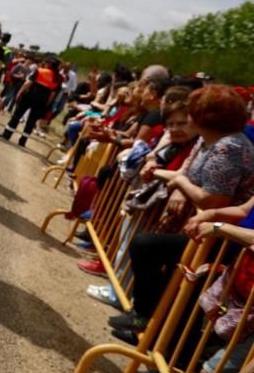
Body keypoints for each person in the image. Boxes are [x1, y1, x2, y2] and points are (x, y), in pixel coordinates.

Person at [108, 85, 254, 336]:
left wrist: (179, 183)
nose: (187, 117)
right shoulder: (210, 141)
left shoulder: (228, 147)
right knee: (174, 284)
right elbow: (183, 175)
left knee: (146, 246)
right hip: (206, 228)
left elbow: (212, 200)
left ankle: (143, 315)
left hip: (224, 237)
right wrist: (154, 169)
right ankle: (152, 336)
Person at [0, 56, 61, 147]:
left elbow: (28, 83)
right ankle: (22, 142)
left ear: (50, 64)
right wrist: (46, 103)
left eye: (47, 62)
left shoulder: (40, 71)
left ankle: (6, 135)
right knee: (31, 121)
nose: (45, 63)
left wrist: (20, 92)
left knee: (17, 115)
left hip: (30, 95)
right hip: (42, 100)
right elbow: (52, 94)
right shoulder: (58, 78)